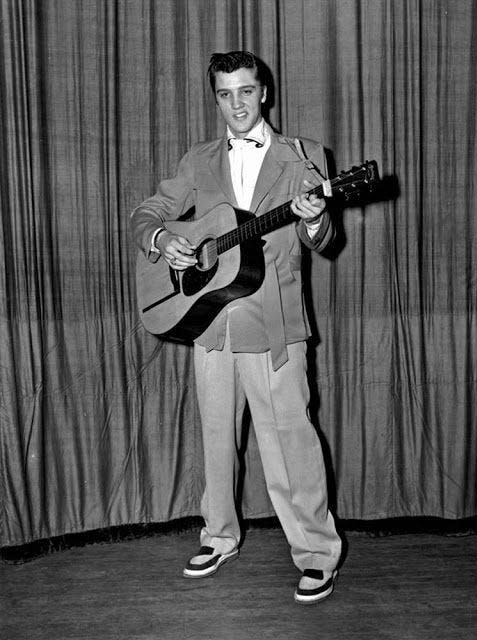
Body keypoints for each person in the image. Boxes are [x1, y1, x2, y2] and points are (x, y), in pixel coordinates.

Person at [130, 51, 342, 605]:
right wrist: (163, 241)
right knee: (216, 439)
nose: (237, 104)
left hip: (273, 326)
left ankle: (317, 553)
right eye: (225, 94)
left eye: (246, 91)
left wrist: (315, 217)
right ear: (216, 99)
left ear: (264, 92)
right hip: (209, 321)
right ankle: (219, 535)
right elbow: (147, 214)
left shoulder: (303, 156)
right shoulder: (197, 160)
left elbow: (324, 241)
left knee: (289, 444)